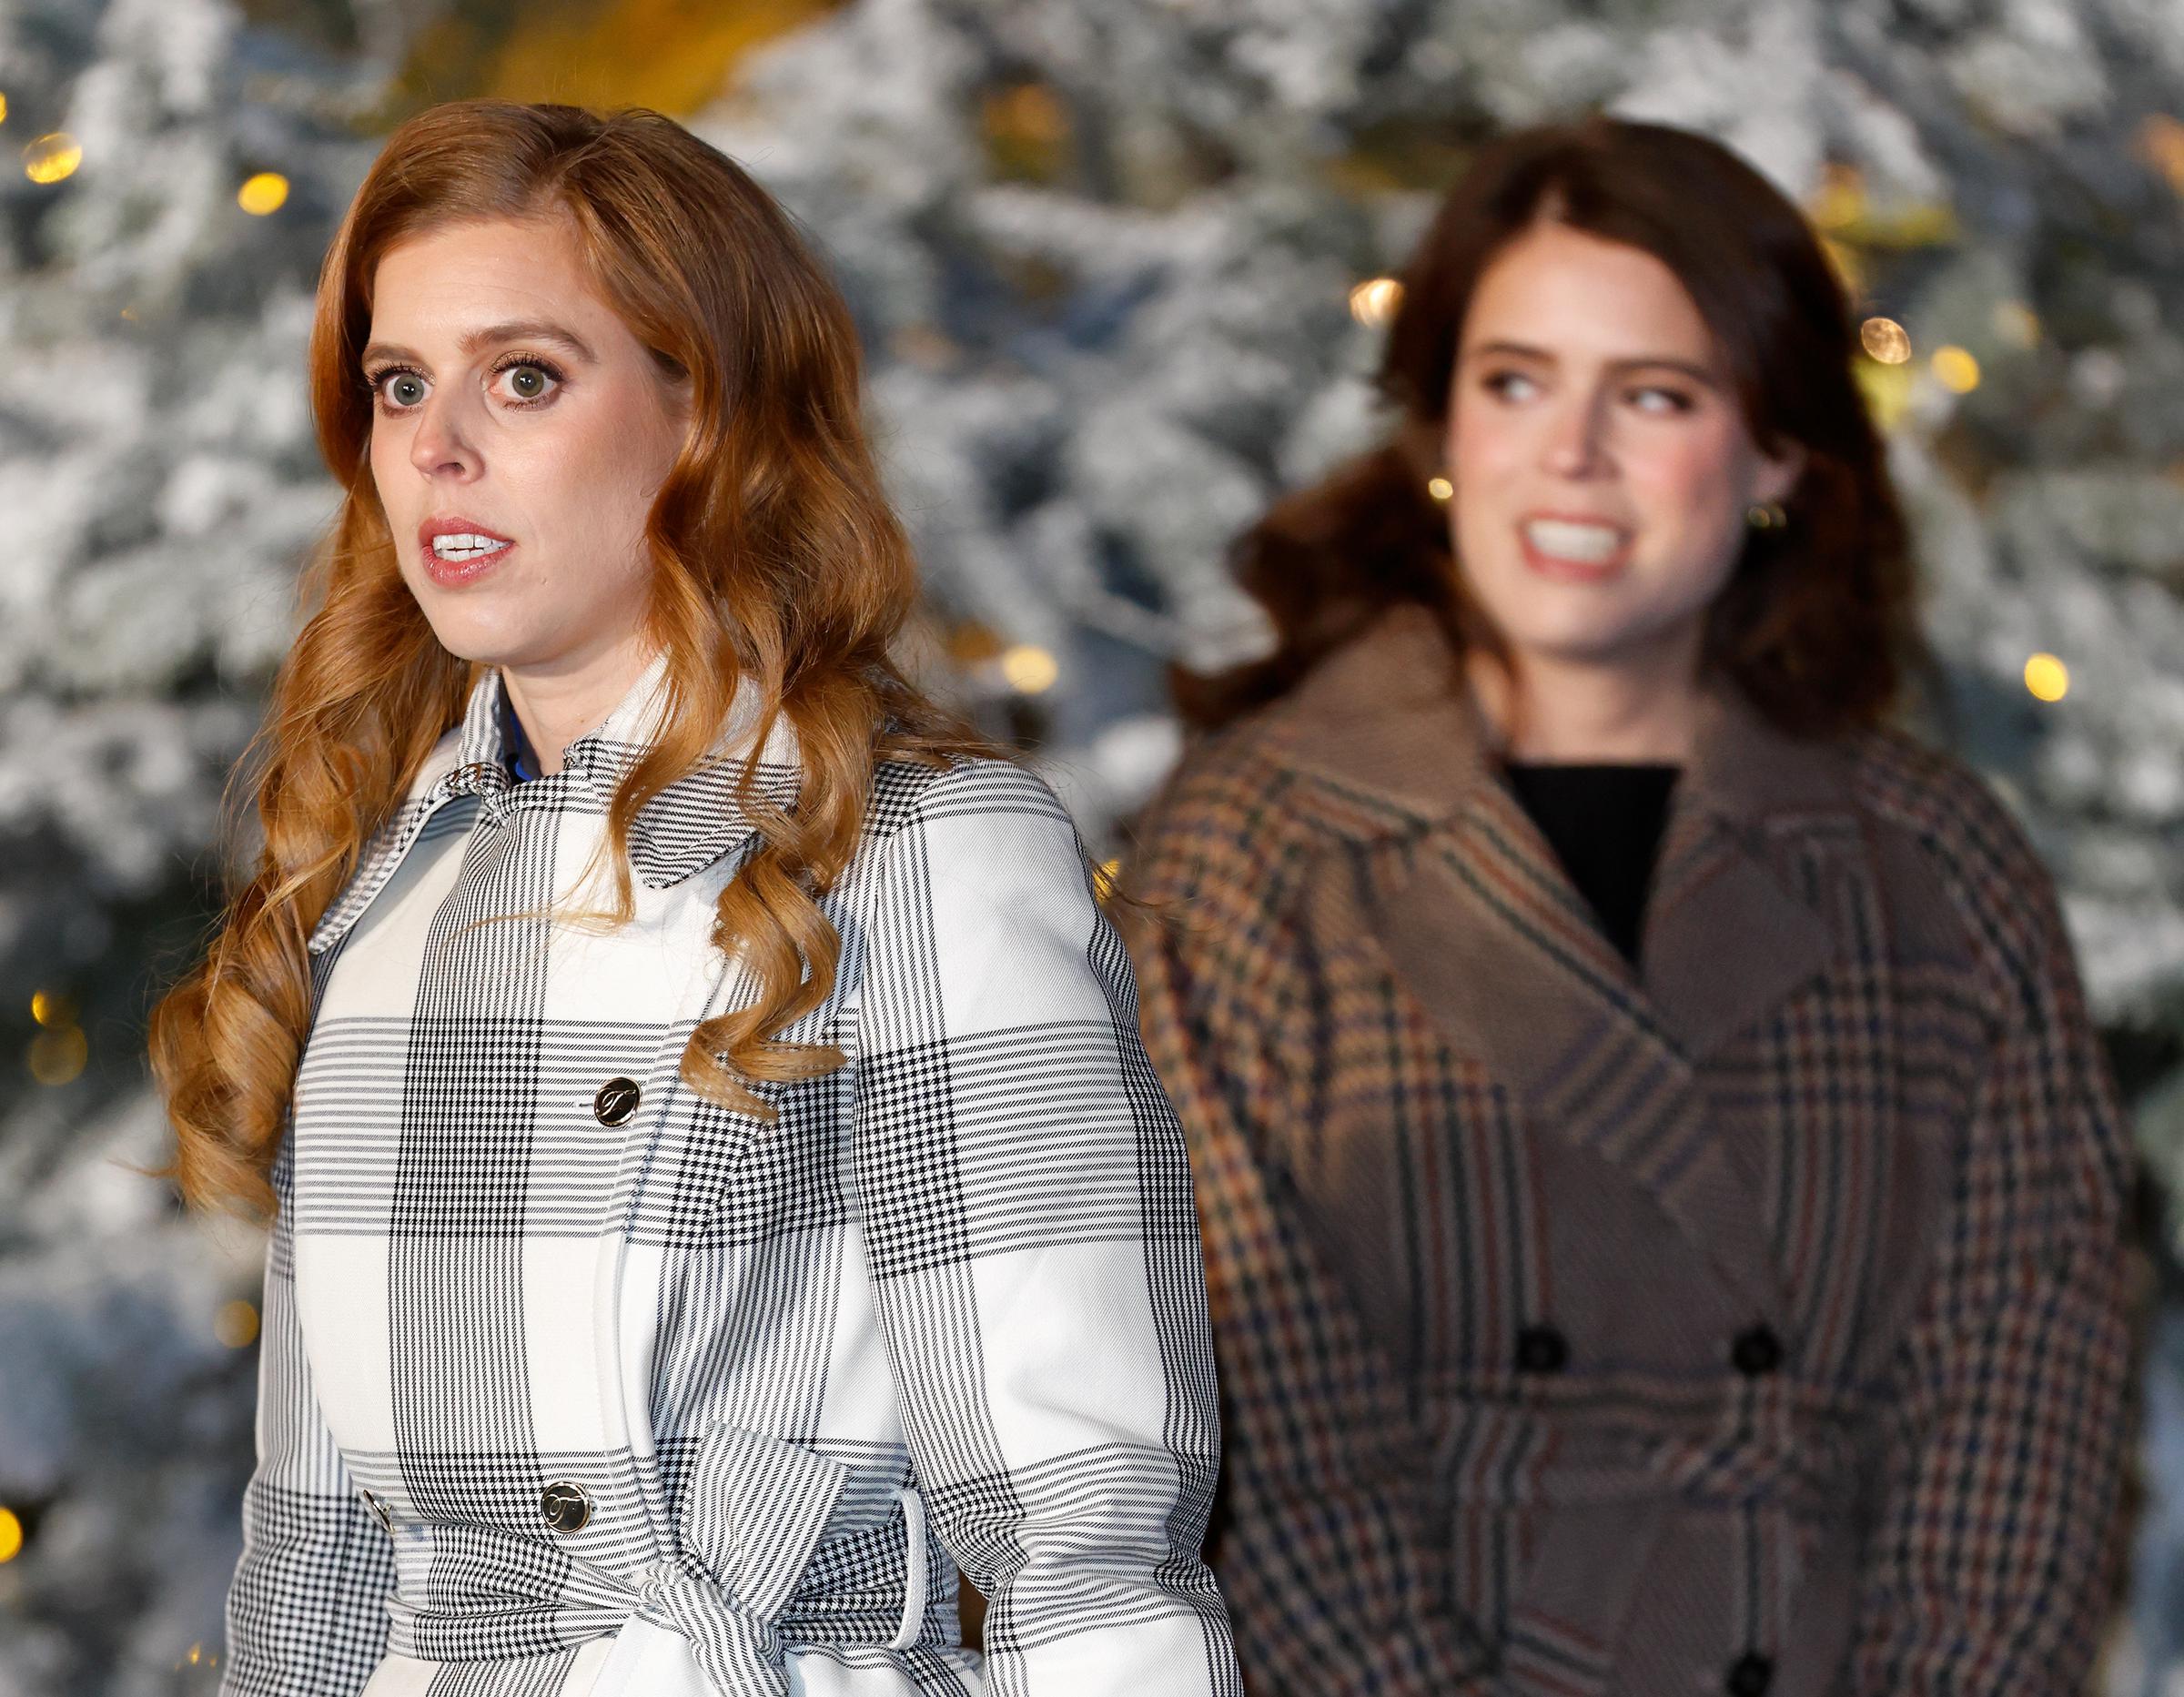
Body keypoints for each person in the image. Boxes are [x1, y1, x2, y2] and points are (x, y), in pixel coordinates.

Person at [149, 100, 1239, 1697]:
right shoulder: (379, 885)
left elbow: (1080, 1548)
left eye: (525, 375)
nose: (437, 445)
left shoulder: (922, 852)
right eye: (400, 384)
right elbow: (316, 1577)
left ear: (707, 412)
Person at [1124, 117, 2132, 1697]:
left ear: (1782, 450)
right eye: (1515, 380)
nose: (1568, 454)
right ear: (1444, 420)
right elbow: (1256, 1439)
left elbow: (2026, 1409)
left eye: (1653, 395)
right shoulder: (1248, 854)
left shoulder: (1936, 868)